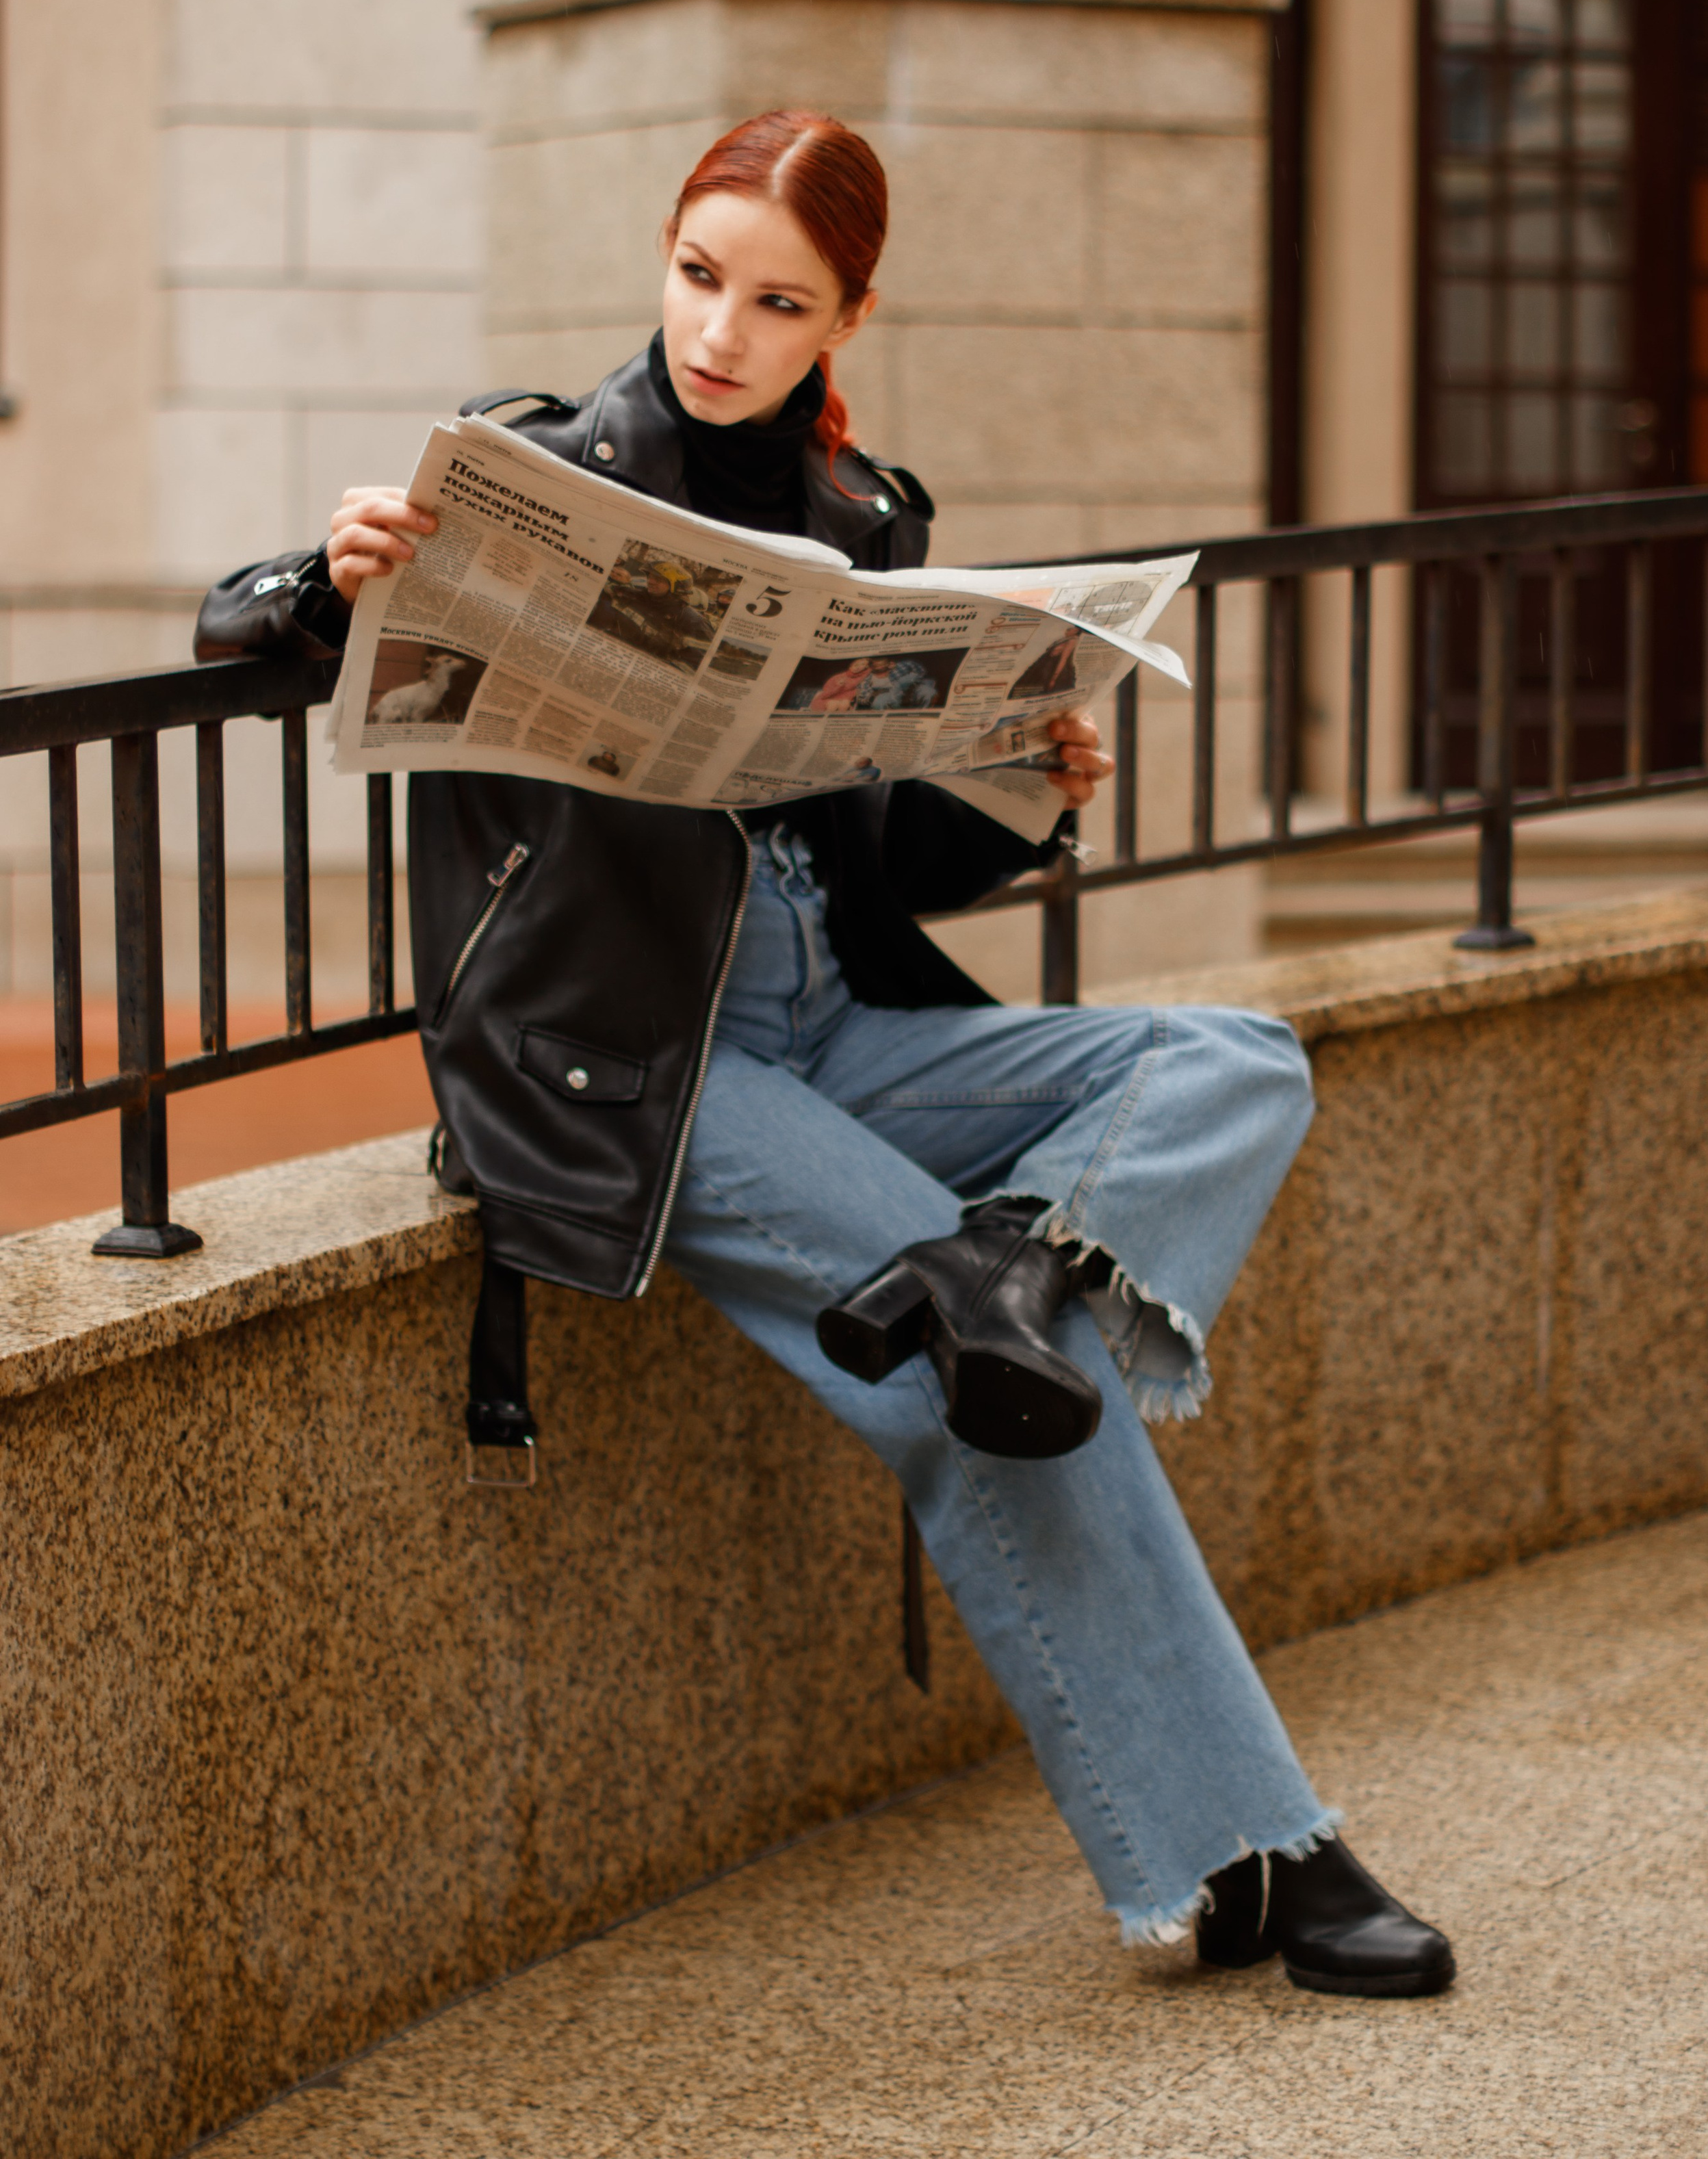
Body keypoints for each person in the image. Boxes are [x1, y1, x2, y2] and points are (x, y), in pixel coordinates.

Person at [196, 109, 1454, 1999]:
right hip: (632, 1066)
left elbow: (874, 860)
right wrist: (326, 570)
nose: (723, 330)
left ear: (846, 316)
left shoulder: (867, 526)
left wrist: (1028, 793)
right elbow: (238, 633)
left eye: (777, 301)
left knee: (1239, 1055)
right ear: (666, 258)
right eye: (701, 277)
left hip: (837, 1019)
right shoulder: (537, 466)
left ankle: (1007, 1268)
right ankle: (1265, 1848)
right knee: (1012, 1396)